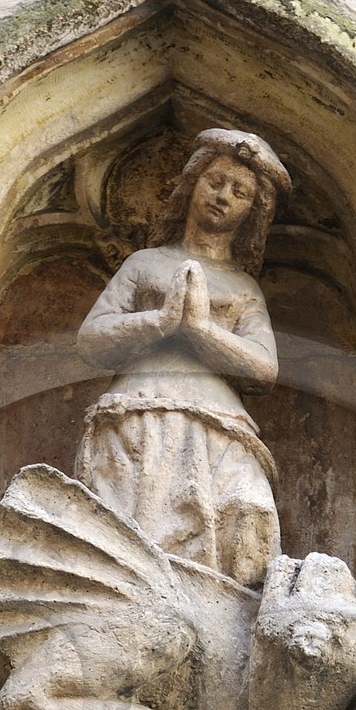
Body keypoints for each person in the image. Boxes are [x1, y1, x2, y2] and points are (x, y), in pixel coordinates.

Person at [74, 126, 290, 589]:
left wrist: (200, 331)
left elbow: (263, 367)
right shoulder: (145, 264)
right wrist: (159, 322)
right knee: (133, 535)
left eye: (240, 192)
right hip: (138, 412)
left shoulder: (243, 286)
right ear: (193, 183)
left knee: (244, 510)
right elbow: (91, 339)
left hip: (220, 425)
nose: (223, 196)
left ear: (253, 212)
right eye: (215, 181)